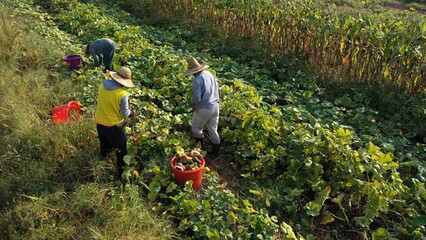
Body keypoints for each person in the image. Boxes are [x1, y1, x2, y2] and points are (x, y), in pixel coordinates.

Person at [95, 66, 135, 180]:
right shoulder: (122, 94)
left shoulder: (102, 85)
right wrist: (131, 112)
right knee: (121, 149)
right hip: (113, 127)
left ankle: (103, 165)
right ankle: (122, 174)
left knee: (105, 146)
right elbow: (124, 114)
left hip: (99, 122)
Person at [183, 57, 221, 156]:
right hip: (216, 106)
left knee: (196, 128)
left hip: (205, 108)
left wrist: (190, 104)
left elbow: (197, 98)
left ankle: (200, 149)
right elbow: (219, 90)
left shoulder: (197, 80)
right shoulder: (210, 74)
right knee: (213, 129)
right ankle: (215, 152)